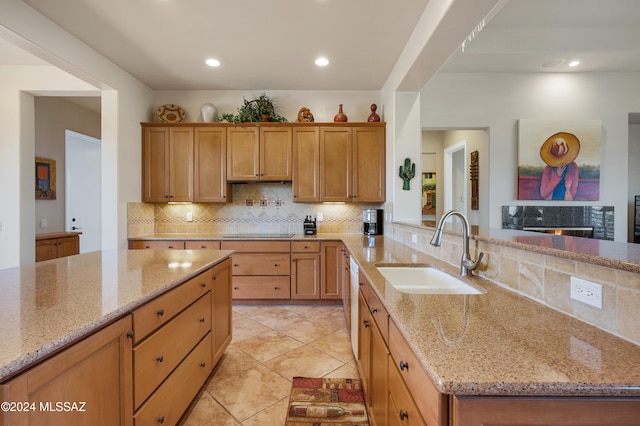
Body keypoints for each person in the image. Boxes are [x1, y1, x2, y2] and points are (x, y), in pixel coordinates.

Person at [539, 132, 580, 200]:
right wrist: (557, 176)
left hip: (567, 203)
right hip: (551, 204)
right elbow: (543, 193)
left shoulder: (573, 167)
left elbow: (573, 190)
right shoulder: (548, 168)